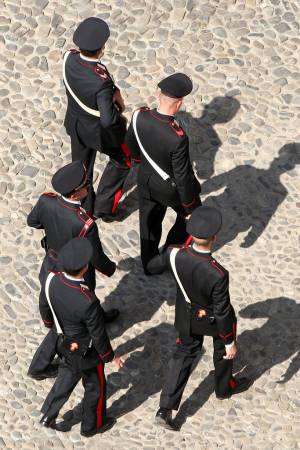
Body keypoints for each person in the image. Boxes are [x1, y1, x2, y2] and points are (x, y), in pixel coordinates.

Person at [147, 206, 252, 429]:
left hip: (186, 314)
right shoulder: (218, 273)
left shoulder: (173, 253)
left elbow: (155, 265)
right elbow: (222, 310)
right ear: (214, 238)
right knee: (223, 350)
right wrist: (229, 342)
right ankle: (224, 388)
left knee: (183, 355)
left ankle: (165, 409)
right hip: (212, 319)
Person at [27, 161, 118, 380]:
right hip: (76, 273)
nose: (89, 186)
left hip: (50, 263)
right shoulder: (84, 223)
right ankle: (39, 366)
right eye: (86, 184)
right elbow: (95, 257)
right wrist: (110, 269)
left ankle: (99, 316)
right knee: (65, 322)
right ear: (77, 194)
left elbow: (33, 221)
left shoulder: (46, 201)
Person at [39, 237, 124, 437]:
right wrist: (110, 357)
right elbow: (98, 333)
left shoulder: (51, 279)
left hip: (64, 342)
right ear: (84, 268)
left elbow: (44, 305)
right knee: (95, 386)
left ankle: (48, 414)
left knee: (65, 379)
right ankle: (92, 425)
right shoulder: (88, 300)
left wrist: (50, 324)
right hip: (87, 352)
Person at [125, 73, 201, 274]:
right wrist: (190, 206)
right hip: (168, 189)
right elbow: (183, 176)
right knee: (189, 218)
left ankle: (149, 264)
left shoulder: (139, 115)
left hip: (145, 179)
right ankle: (169, 255)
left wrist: (140, 161)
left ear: (159, 95)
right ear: (179, 103)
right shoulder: (177, 137)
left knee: (148, 223)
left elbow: (131, 144)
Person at [63, 16, 131, 217]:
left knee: (82, 168)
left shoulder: (69, 57)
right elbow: (108, 120)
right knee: (123, 160)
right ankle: (104, 207)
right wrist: (119, 116)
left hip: (75, 124)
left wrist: (113, 90)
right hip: (97, 132)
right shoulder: (100, 80)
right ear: (102, 47)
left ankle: (85, 208)